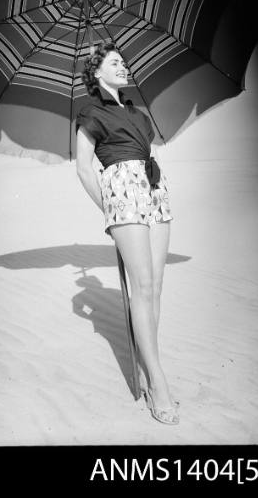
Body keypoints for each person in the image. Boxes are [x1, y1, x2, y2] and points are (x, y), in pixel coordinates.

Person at [75, 41, 178, 425]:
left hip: (154, 188)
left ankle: (151, 367)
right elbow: (84, 168)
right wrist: (111, 207)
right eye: (115, 62)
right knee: (143, 283)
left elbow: (146, 152)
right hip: (122, 191)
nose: (123, 67)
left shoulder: (136, 111)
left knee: (155, 287)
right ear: (97, 71)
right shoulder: (90, 111)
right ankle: (158, 381)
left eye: (123, 62)